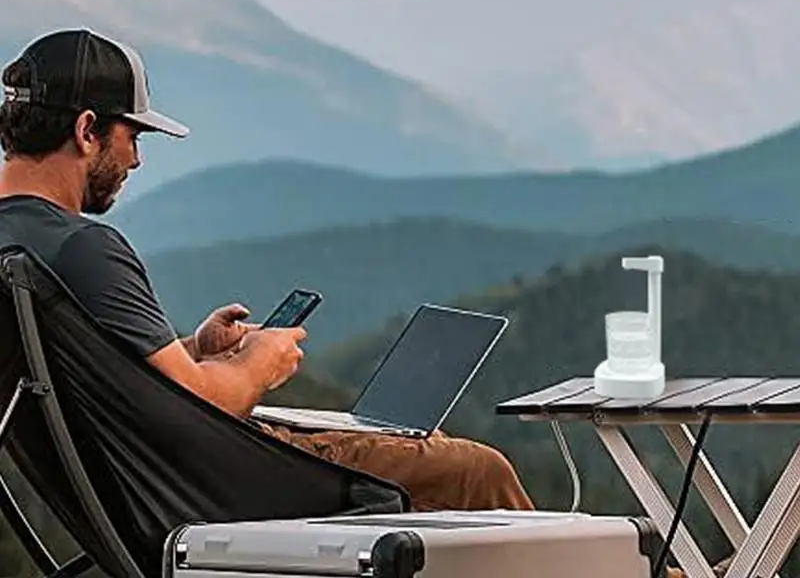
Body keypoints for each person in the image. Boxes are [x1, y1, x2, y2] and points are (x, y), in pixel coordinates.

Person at [0, 27, 535, 514]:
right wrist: (260, 363)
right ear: (87, 129)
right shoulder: (84, 250)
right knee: (475, 471)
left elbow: (94, 378)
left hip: (132, 496)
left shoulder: (19, 244)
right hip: (215, 490)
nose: (136, 161)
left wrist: (193, 351)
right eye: (132, 137)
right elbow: (197, 408)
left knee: (431, 447)